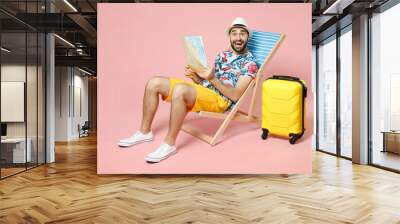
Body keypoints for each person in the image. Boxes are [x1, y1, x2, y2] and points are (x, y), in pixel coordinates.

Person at [118, 17, 258, 163]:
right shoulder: (222, 55)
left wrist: (212, 79)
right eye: (234, 33)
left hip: (222, 102)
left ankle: (169, 144)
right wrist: (196, 77)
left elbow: (235, 96)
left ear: (248, 36)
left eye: (242, 33)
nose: (238, 37)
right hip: (208, 92)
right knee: (154, 83)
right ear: (229, 36)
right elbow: (207, 84)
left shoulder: (250, 64)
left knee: (180, 90)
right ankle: (144, 132)